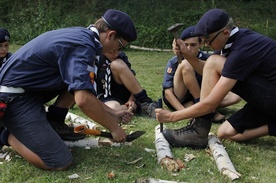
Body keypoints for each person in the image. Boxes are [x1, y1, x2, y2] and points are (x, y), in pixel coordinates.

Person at [0, 9, 137, 170]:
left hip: (29, 90)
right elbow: (83, 100)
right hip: (13, 98)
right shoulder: (83, 46)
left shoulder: (83, 36)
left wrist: (113, 113)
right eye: (120, 45)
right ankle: (4, 135)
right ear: (111, 34)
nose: (118, 50)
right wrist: (114, 128)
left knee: (78, 81)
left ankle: (54, 121)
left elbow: (83, 89)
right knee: (59, 161)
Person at [156, 8, 276, 149]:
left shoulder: (243, 48)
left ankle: (199, 131)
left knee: (213, 61)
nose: (206, 45)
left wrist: (172, 116)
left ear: (225, 32)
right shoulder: (231, 41)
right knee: (225, 132)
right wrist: (187, 54)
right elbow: (208, 70)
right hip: (266, 101)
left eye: (208, 40)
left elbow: (211, 104)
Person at [162, 26, 241, 123]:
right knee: (186, 64)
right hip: (181, 97)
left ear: (201, 44)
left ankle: (201, 107)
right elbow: (168, 93)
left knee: (235, 96)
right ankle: (202, 108)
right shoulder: (174, 62)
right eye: (186, 45)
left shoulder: (208, 59)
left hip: (199, 96)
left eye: (193, 45)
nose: (189, 48)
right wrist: (182, 113)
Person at [96, 50, 157, 118]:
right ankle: (130, 109)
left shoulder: (121, 57)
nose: (114, 54)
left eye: (117, 50)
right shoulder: (96, 58)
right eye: (110, 52)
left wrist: (131, 99)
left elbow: (132, 82)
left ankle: (144, 104)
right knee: (111, 110)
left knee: (117, 64)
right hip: (107, 99)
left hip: (125, 95)